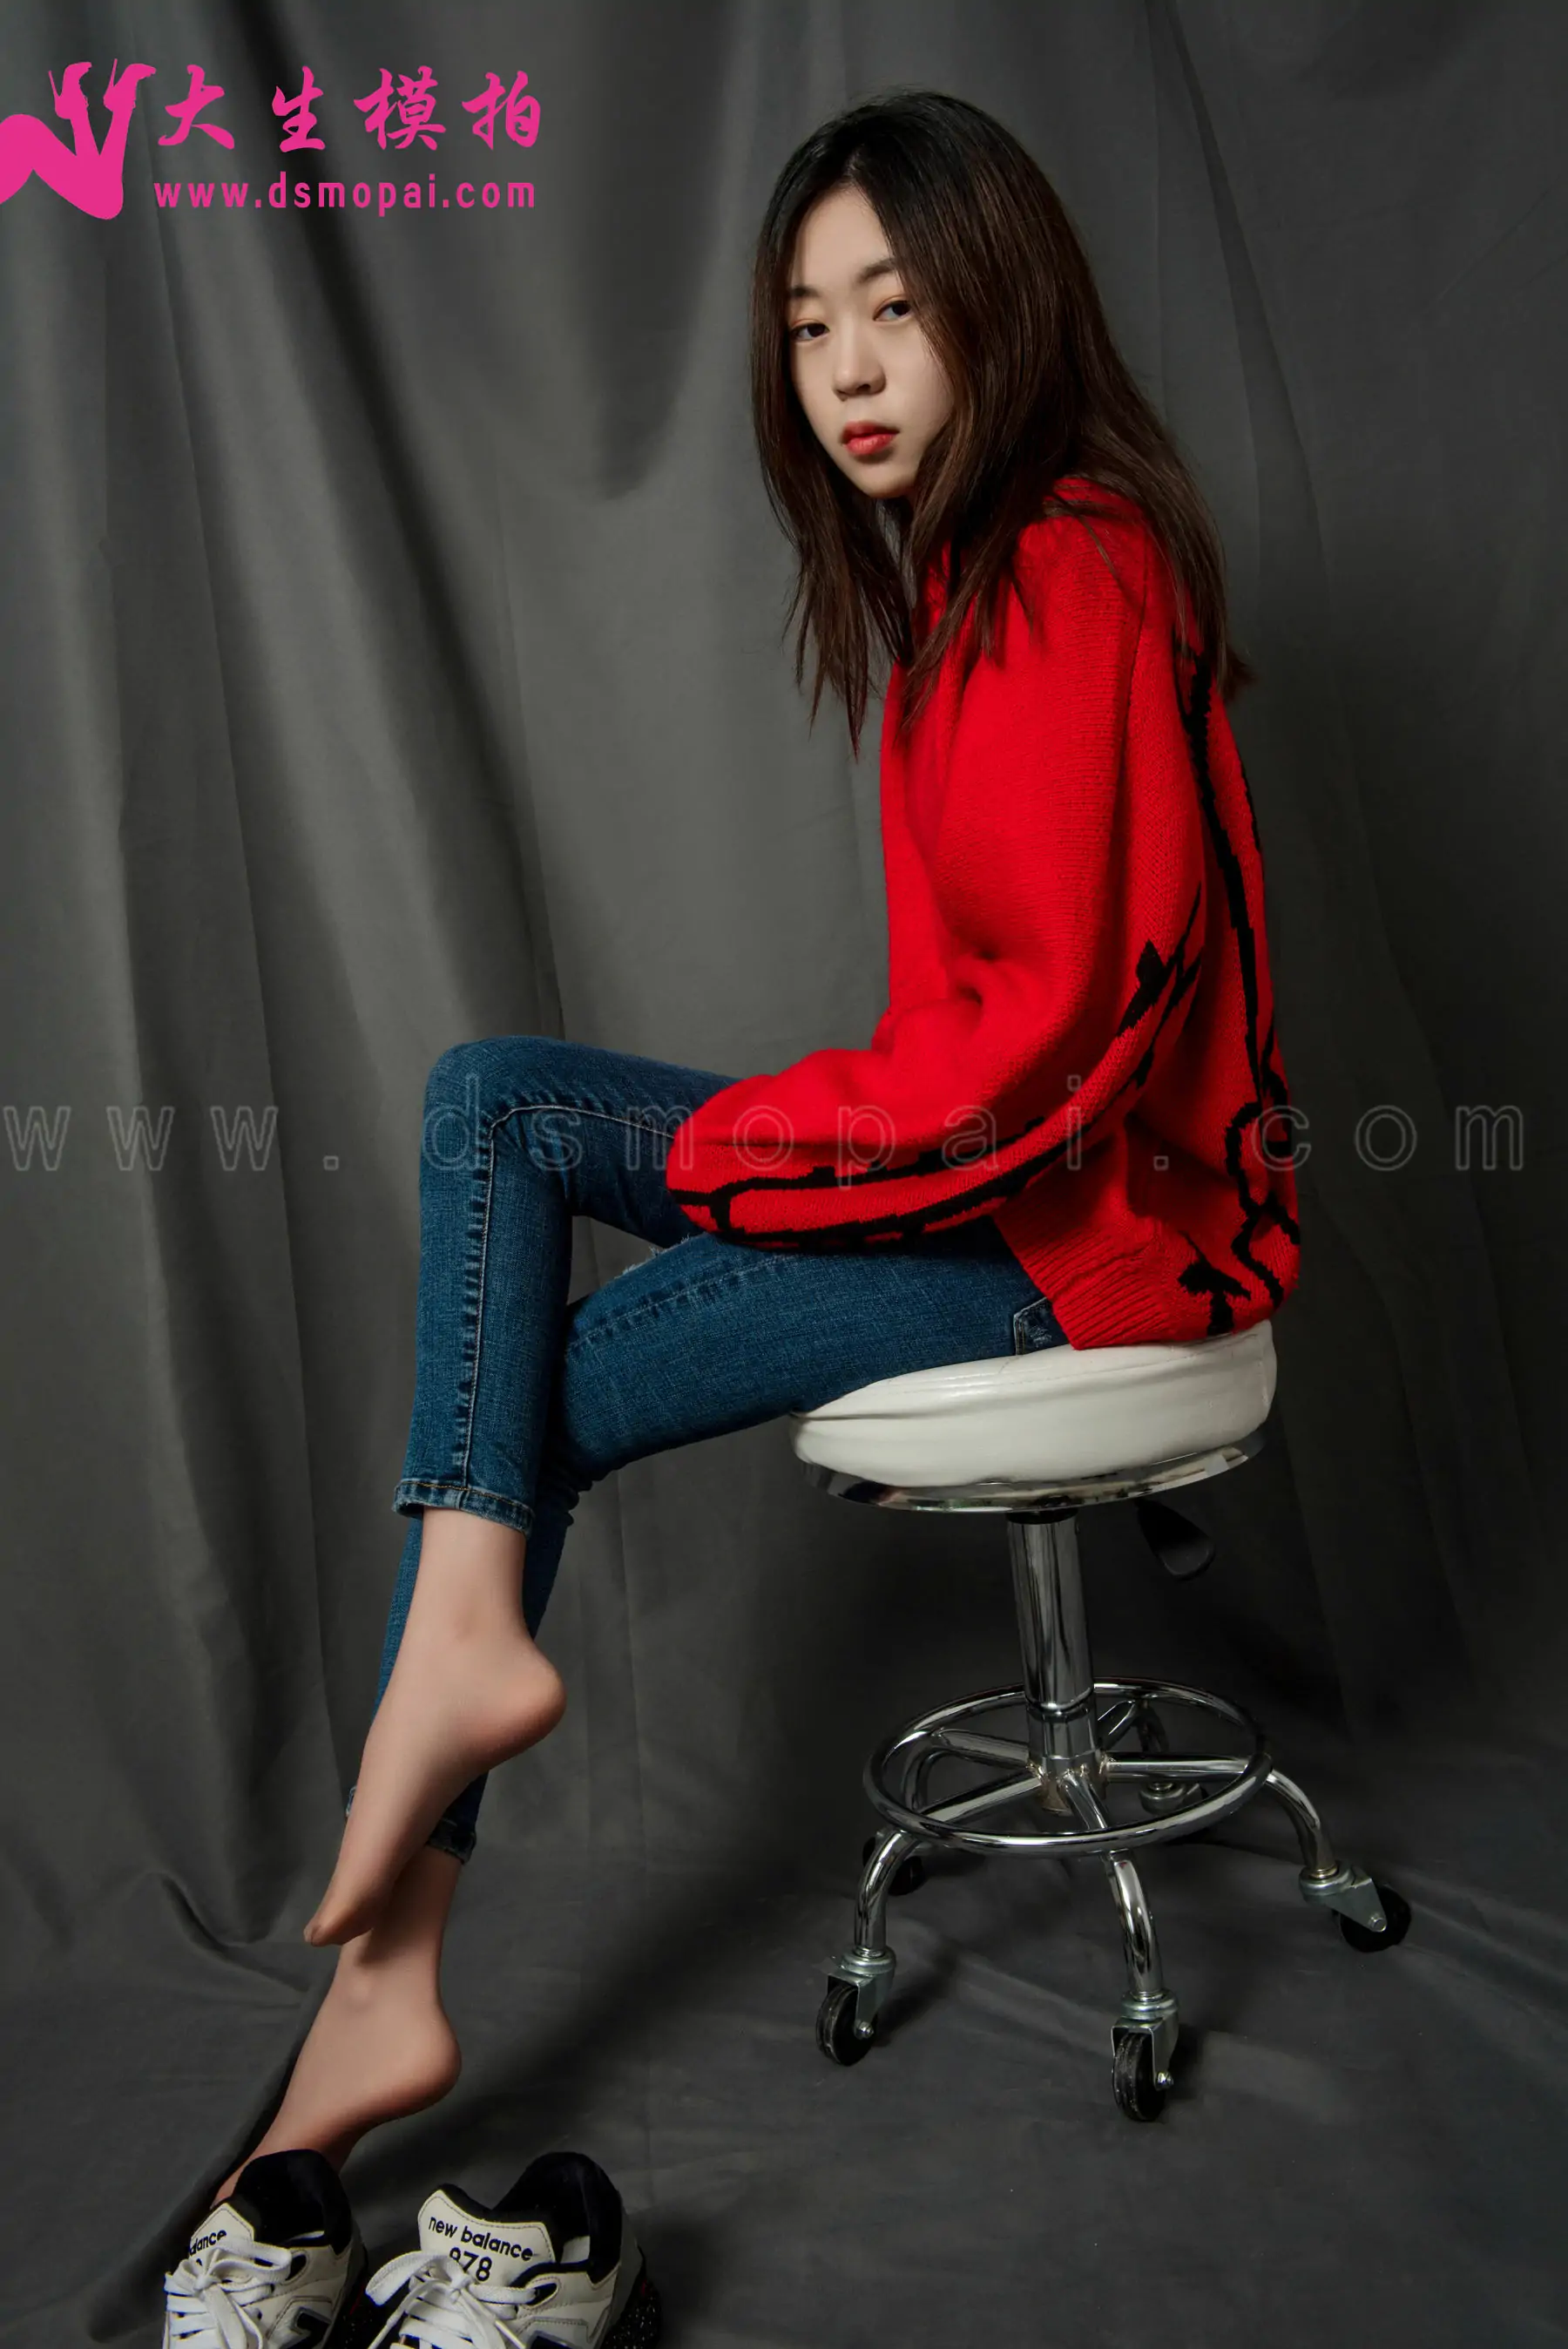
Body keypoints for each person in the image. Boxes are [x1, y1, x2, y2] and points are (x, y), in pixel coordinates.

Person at [211, 86, 1301, 2203]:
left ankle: (390, 1956)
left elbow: (1044, 1051)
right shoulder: (963, 588)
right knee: (492, 1098)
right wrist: (782, 1139)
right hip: (1002, 1183)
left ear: (1001, 300)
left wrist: (746, 1154)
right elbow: (965, 1040)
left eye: (896, 306)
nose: (850, 369)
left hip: (1081, 1237)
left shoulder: (1071, 563)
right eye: (811, 326)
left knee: (530, 1396)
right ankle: (452, 1692)